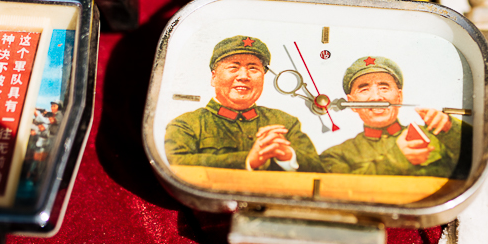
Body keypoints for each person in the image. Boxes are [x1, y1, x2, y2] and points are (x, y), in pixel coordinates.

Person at [164, 35, 323, 172]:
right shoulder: (187, 125)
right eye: (233, 67)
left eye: (253, 68)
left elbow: (321, 172)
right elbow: (173, 164)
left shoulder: (285, 123)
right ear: (214, 77)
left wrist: (289, 157)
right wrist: (247, 160)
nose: (243, 76)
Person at [320, 56, 471, 177]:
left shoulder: (439, 137)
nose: (376, 97)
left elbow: (477, 156)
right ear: (351, 103)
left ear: (399, 97)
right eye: (364, 89)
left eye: (384, 87)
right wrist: (396, 159)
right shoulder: (335, 156)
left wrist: (451, 129)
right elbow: (342, 191)